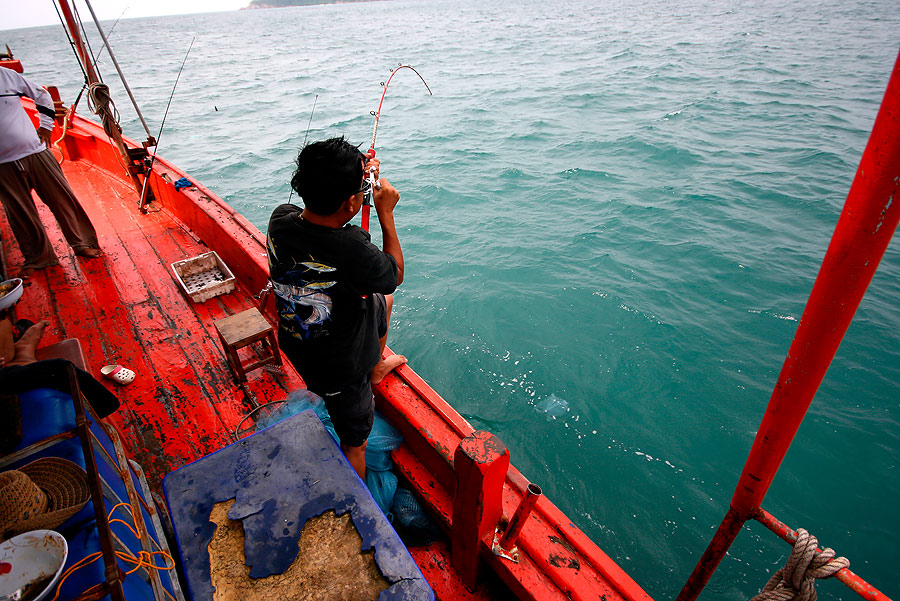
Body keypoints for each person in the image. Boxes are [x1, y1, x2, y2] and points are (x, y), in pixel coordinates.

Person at [267, 137, 407, 480]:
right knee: (355, 443)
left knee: (380, 301)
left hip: (298, 343)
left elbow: (327, 218)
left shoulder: (280, 219)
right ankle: (356, 499)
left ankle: (374, 367)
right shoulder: (352, 250)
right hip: (340, 369)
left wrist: (359, 178)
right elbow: (393, 275)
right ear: (349, 204)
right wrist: (385, 212)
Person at [0, 67, 101, 278]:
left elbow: (42, 94)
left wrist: (46, 126)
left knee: (62, 200)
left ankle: (82, 243)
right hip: (2, 165)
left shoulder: (6, 75)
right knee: (20, 212)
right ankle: (39, 257)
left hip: (35, 152)